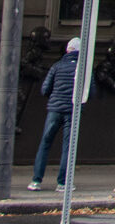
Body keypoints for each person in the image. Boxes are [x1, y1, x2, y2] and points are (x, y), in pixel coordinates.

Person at [29, 37, 79, 191]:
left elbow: (45, 89)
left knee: (45, 143)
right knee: (68, 146)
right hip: (72, 110)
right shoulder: (82, 68)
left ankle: (36, 181)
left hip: (54, 109)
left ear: (67, 50)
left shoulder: (56, 66)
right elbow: (90, 91)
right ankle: (63, 183)